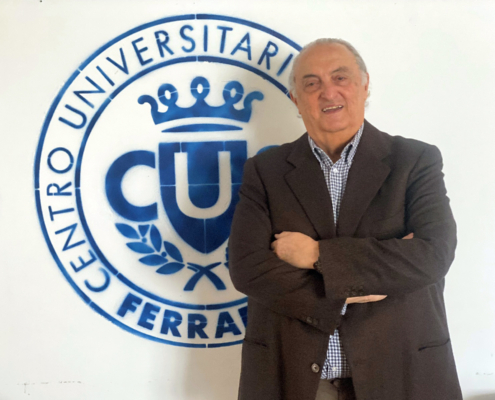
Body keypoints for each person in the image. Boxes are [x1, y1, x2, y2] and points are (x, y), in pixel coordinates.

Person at [228, 38, 462, 400]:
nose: (328, 91)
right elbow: (248, 268)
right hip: (298, 383)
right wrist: (344, 293)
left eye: (340, 77)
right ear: (295, 99)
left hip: (401, 377)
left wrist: (316, 255)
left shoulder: (415, 161)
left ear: (365, 85)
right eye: (311, 83)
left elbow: (432, 256)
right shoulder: (264, 171)